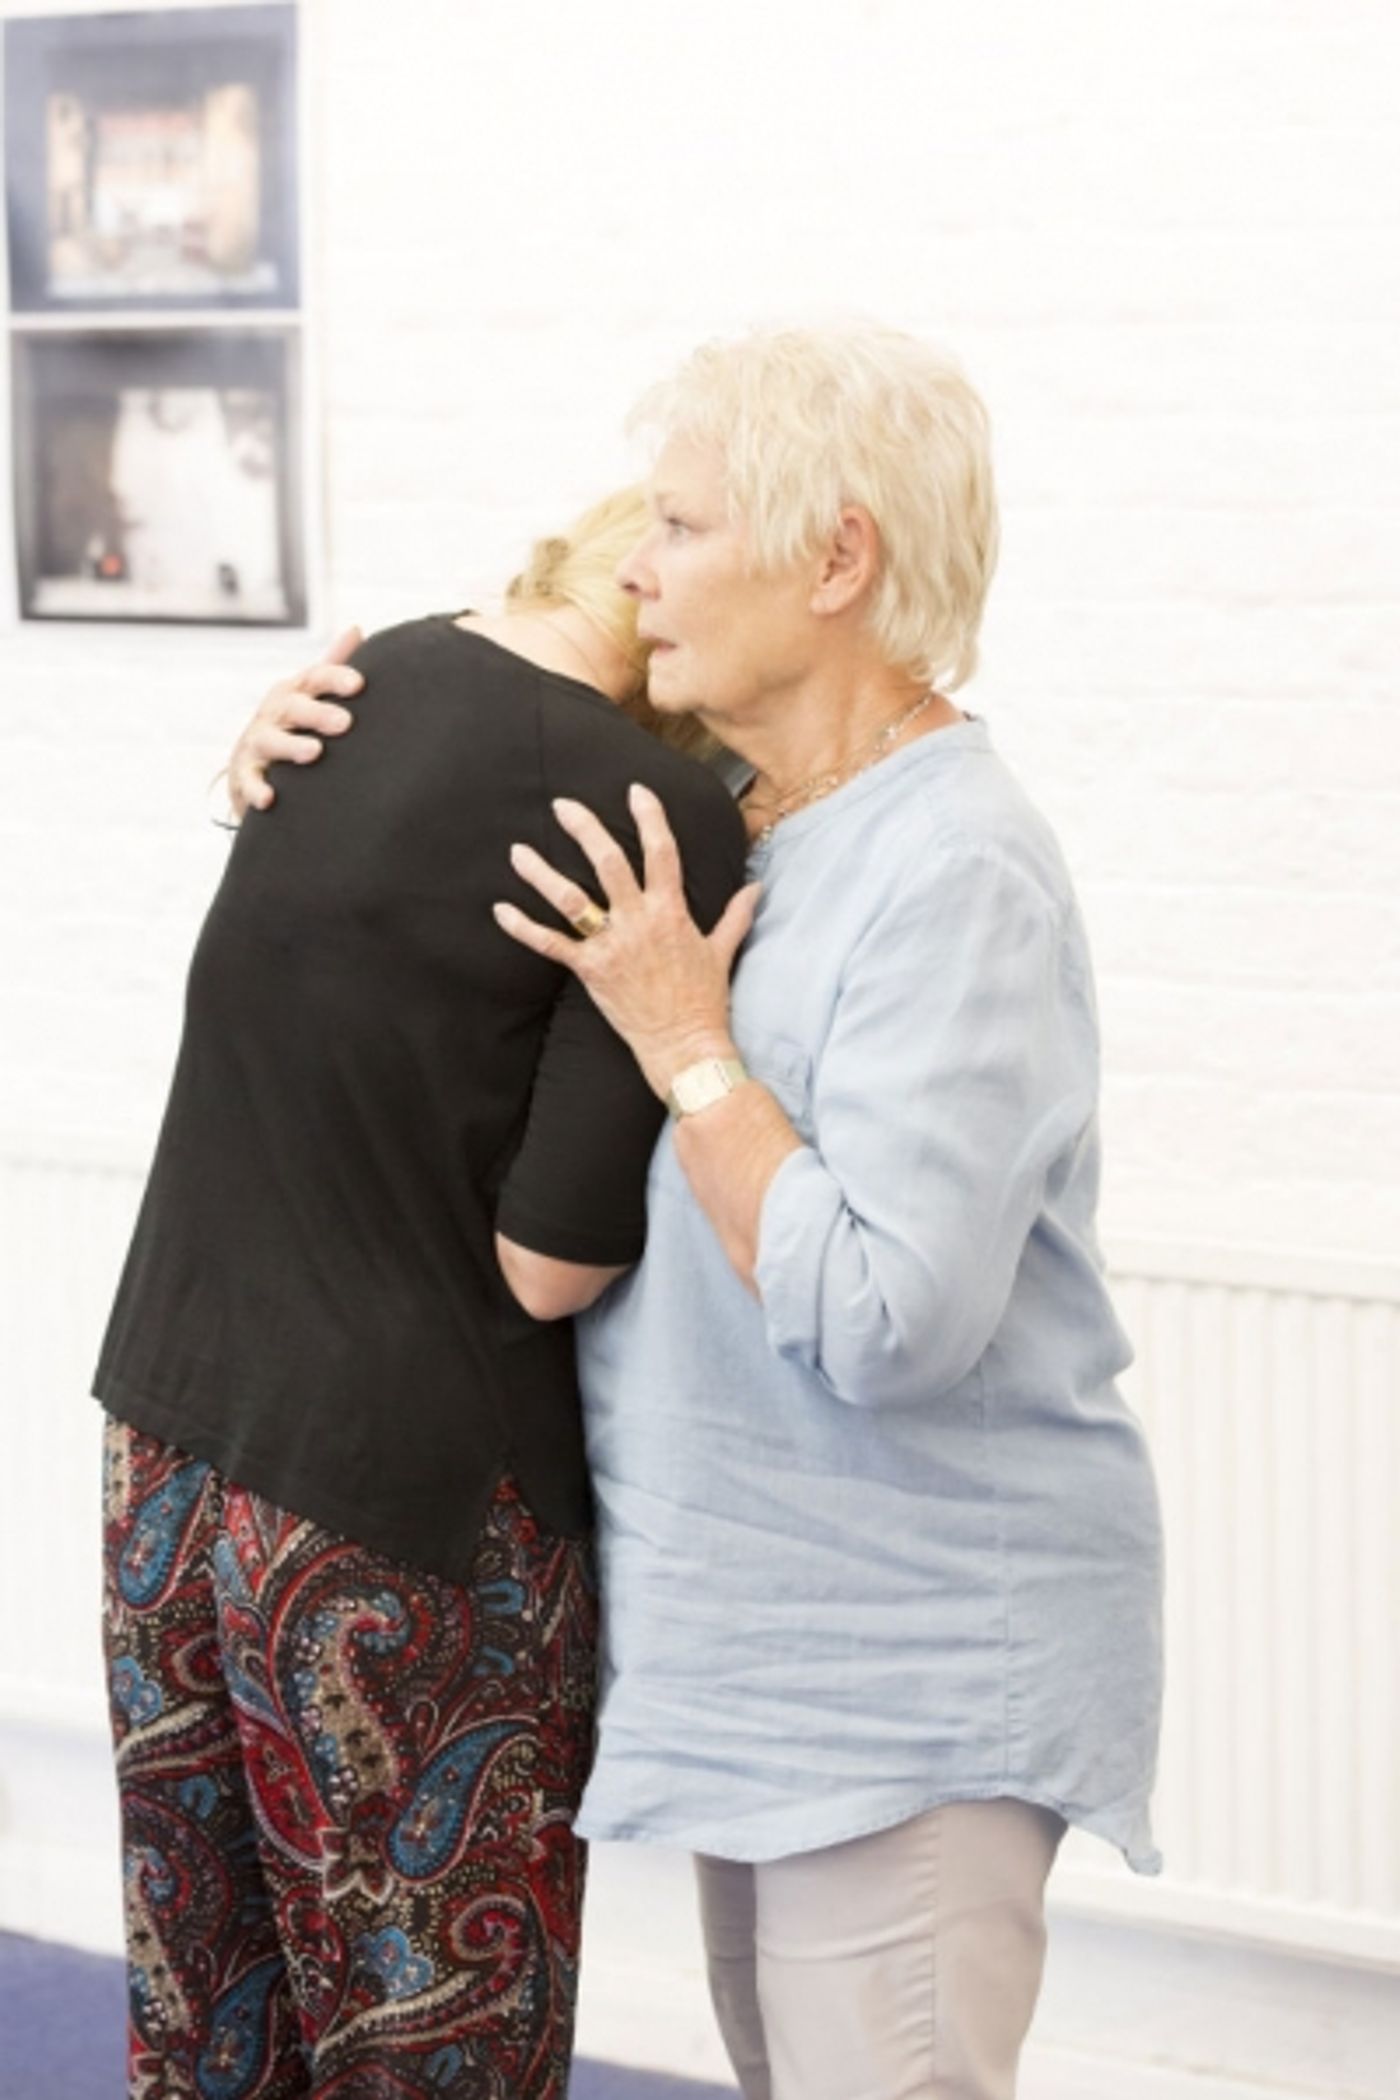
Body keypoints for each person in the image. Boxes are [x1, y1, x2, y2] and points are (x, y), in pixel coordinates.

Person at [233, 323, 1165, 2100]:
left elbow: (888, 1320)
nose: (638, 568)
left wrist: (685, 1042)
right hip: (763, 1658)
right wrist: (279, 765)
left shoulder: (957, 866)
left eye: (680, 525)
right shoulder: (744, 820)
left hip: (908, 1681)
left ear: (836, 559)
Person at [92, 487, 750, 2100]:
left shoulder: (355, 680)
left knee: (211, 2018)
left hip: (166, 1451)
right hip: (402, 1515)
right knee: (431, 2044)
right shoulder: (656, 809)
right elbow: (548, 1264)